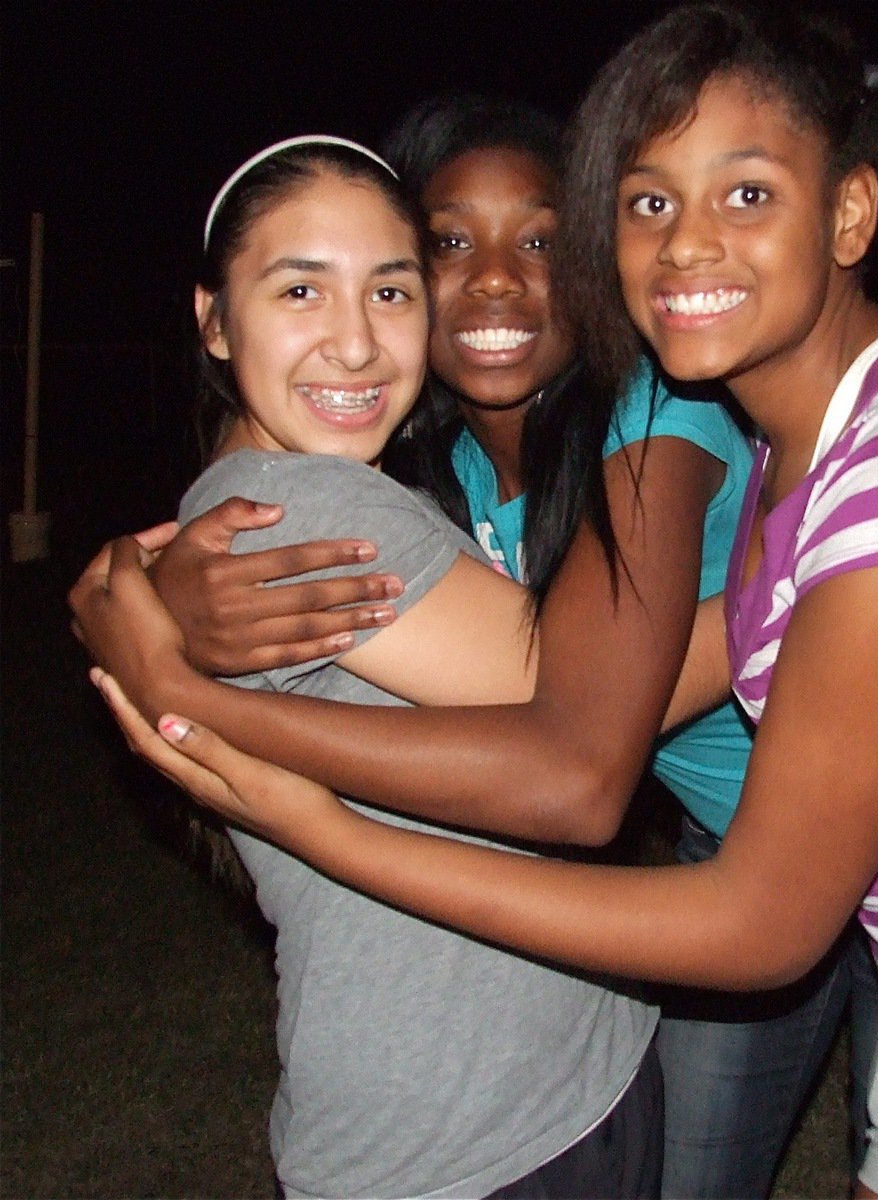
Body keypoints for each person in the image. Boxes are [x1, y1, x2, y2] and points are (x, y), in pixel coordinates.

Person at [73, 6, 878, 1198]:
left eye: (746, 194)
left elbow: (681, 852)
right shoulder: (801, 425)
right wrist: (161, 582)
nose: (687, 245)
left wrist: (215, 723)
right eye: (647, 203)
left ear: (849, 213)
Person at [101, 94, 878, 1195]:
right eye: (448, 246)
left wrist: (173, 672)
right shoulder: (427, 471)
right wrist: (152, 591)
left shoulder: (646, 413)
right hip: (722, 858)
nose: (356, 338)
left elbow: (577, 747)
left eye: (541, 241)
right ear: (215, 321)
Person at [118, 133, 666, 1200]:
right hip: (466, 1129)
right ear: (214, 321)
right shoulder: (303, 509)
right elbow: (586, 707)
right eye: (300, 291)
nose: (357, 344)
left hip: (533, 1076)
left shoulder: (285, 497)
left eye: (390, 292)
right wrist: (800, 584)